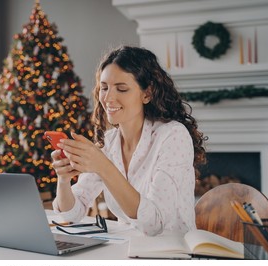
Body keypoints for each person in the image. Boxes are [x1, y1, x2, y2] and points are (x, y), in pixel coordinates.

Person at [51, 45, 206, 236]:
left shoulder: (173, 135)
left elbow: (154, 225)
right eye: (104, 88)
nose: (108, 98)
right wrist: (64, 179)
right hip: (127, 250)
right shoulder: (109, 142)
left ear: (147, 94)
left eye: (122, 89)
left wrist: (105, 167)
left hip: (173, 252)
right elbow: (71, 215)